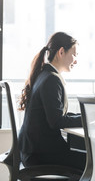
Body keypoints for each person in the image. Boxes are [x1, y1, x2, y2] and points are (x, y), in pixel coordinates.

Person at [18, 32, 86, 170]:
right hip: (40, 157)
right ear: (61, 52)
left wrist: (85, 118)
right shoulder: (52, 79)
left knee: (92, 159)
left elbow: (55, 114)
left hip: (33, 153)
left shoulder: (44, 75)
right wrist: (87, 120)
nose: (76, 61)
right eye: (74, 55)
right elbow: (57, 121)